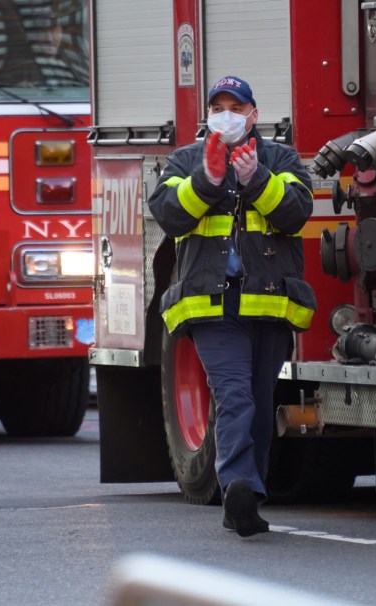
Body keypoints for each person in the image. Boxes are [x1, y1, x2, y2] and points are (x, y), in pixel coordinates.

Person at [148, 75, 316, 538]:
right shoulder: (185, 160)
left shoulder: (281, 158)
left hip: (268, 306)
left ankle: (247, 499)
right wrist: (209, 179)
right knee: (234, 395)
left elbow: (298, 210)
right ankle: (237, 484)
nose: (226, 115)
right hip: (211, 307)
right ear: (208, 115)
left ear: (253, 114)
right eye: (218, 107)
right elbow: (168, 213)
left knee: (260, 403)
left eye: (236, 107)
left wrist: (255, 179)